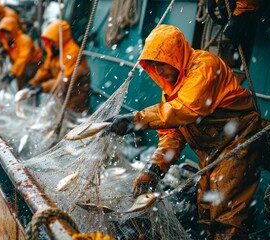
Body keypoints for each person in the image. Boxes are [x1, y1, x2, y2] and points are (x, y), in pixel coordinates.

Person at [108, 24, 262, 239]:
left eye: (162, 63)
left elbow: (187, 110)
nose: (158, 70)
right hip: (211, 154)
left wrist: (136, 119)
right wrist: (153, 171)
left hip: (237, 144)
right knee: (208, 211)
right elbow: (172, 134)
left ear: (175, 55)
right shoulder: (171, 91)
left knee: (227, 217)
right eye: (153, 65)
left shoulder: (204, 66)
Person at [17, 19, 90, 114]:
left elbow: (64, 80)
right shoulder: (54, 51)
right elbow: (45, 70)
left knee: (73, 114)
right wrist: (32, 83)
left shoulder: (72, 53)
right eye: (49, 41)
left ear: (60, 39)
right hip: (62, 87)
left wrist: (42, 87)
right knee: (61, 112)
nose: (50, 44)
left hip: (76, 87)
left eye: (52, 41)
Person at [0, 16, 43, 90]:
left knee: (31, 85)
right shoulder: (9, 41)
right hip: (20, 68)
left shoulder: (25, 40)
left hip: (32, 65)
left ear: (13, 30)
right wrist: (5, 50)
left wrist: (12, 73)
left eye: (8, 33)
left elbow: (23, 59)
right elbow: (11, 48)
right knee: (21, 86)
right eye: (4, 33)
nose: (6, 35)